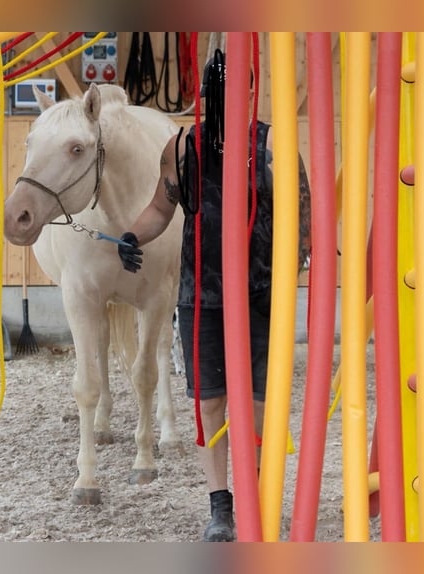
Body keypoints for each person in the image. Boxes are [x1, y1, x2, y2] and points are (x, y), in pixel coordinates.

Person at [118, 50, 311, 542]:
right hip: (202, 294)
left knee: (264, 402)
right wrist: (131, 238)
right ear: (206, 96)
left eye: (237, 91)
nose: (229, 100)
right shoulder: (182, 148)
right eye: (218, 93)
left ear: (251, 91)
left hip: (264, 292)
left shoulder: (272, 145)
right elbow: (160, 210)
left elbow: (303, 210)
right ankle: (221, 507)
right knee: (212, 403)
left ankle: (262, 497)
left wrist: (307, 255)